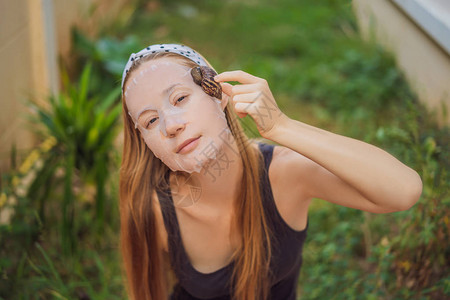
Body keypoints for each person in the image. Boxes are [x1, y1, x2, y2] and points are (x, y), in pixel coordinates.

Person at [119, 43, 422, 300]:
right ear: (145, 141)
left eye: (180, 99)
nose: (171, 125)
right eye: (150, 121)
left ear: (219, 93)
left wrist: (281, 126)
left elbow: (403, 190)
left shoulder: (284, 174)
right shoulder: (155, 208)